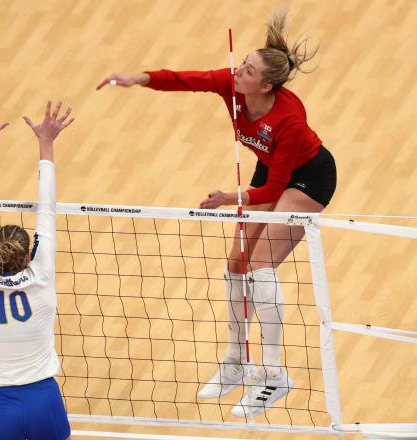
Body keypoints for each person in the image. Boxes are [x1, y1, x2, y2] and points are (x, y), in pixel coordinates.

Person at [97, 6, 336, 418]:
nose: (236, 72)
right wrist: (140, 78)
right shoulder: (233, 88)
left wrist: (228, 197)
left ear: (266, 85)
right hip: (270, 166)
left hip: (306, 179)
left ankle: (275, 374)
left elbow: (275, 189)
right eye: (241, 64)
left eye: (247, 70)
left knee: (261, 267)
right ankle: (236, 363)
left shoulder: (290, 120)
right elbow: (186, 79)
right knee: (236, 266)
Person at [0, 101, 73, 439]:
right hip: (44, 399)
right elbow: (47, 209)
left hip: (0, 404)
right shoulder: (41, 276)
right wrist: (46, 144)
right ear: (28, 257)